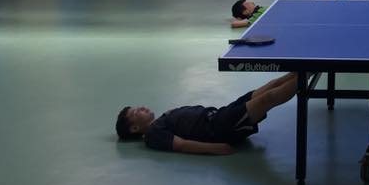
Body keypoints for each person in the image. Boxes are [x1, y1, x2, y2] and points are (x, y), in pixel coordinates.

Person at [115, 74, 299, 155]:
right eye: (136, 112)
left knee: (270, 86)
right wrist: (215, 148)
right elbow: (182, 145)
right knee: (267, 98)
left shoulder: (160, 121)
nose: (142, 107)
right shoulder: (153, 134)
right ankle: (309, 73)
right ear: (135, 128)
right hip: (220, 127)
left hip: (220, 114)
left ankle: (306, 66)